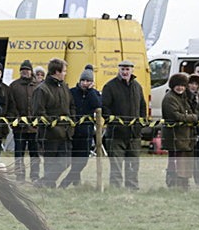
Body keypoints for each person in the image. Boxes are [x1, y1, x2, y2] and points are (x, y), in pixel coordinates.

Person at [101, 60, 147, 190]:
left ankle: (132, 187)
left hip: (134, 134)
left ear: (132, 70)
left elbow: (142, 106)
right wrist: (114, 122)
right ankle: (115, 188)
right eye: (123, 69)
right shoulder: (110, 86)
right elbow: (105, 107)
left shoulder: (137, 87)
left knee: (133, 163)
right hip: (116, 134)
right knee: (116, 164)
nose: (125, 72)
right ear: (118, 70)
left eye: (127, 69)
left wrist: (141, 123)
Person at [32, 58, 75, 188]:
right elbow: (38, 112)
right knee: (50, 163)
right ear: (56, 71)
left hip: (66, 133)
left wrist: (71, 123)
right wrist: (54, 126)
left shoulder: (65, 87)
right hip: (49, 134)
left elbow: (72, 106)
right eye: (64, 71)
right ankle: (48, 186)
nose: (65, 74)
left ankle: (42, 182)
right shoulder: (42, 89)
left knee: (65, 162)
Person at [62, 65, 102, 187]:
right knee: (73, 159)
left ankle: (65, 182)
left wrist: (90, 91)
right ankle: (75, 182)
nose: (84, 83)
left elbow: (98, 106)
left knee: (82, 160)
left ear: (92, 82)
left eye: (88, 81)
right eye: (83, 80)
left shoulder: (94, 93)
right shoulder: (72, 92)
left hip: (87, 132)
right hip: (73, 131)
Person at [161, 73, 197, 191]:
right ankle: (173, 184)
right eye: (178, 85)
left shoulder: (184, 97)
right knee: (175, 162)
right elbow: (175, 116)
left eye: (182, 85)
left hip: (185, 136)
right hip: (174, 137)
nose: (180, 88)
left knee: (185, 162)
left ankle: (183, 184)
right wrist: (193, 117)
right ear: (172, 85)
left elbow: (189, 112)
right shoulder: (169, 98)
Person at [6, 59, 40, 183]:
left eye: (27, 70)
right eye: (23, 70)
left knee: (34, 154)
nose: (25, 72)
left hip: (35, 127)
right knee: (19, 153)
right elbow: (11, 104)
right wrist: (15, 119)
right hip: (19, 127)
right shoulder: (14, 86)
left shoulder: (38, 86)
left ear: (31, 72)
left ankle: (35, 176)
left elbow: (40, 105)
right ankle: (19, 176)